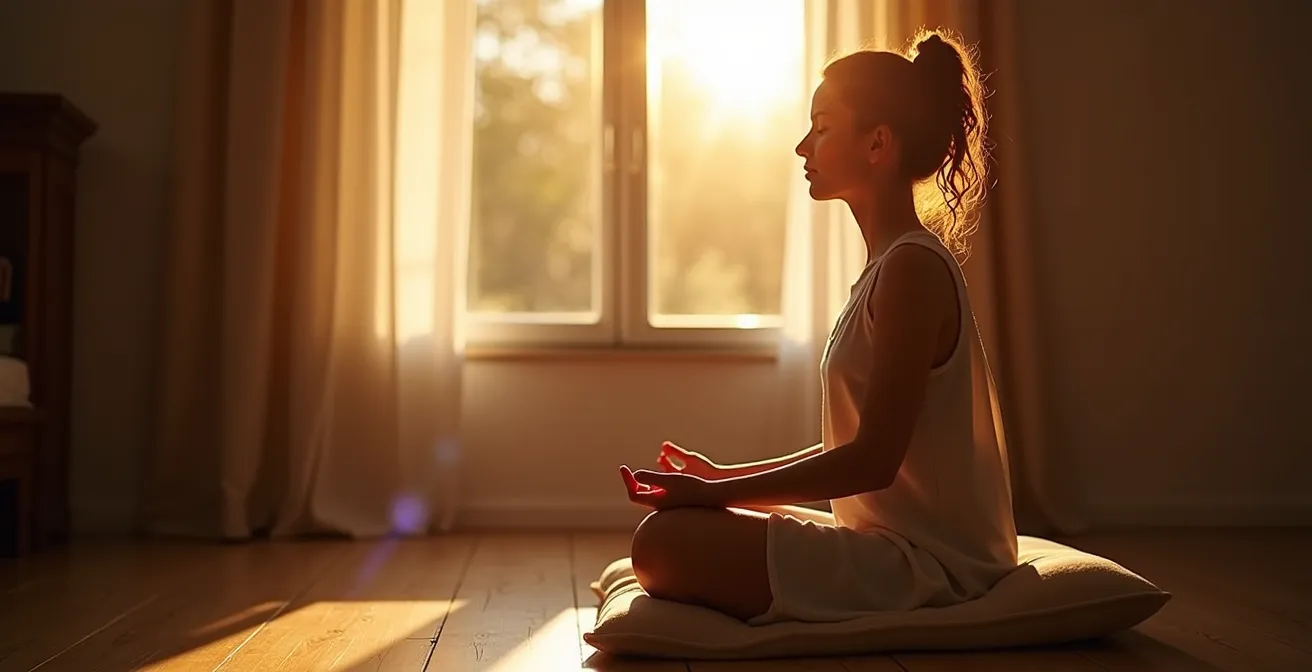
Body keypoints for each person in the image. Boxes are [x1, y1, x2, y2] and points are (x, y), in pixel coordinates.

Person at [616, 28, 1019, 625]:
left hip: (930, 565)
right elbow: (859, 447)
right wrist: (724, 478)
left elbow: (871, 462)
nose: (803, 146)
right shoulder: (888, 268)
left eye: (823, 127)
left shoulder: (912, 269)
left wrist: (717, 494)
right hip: (885, 539)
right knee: (676, 530)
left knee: (661, 545)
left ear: (878, 143)